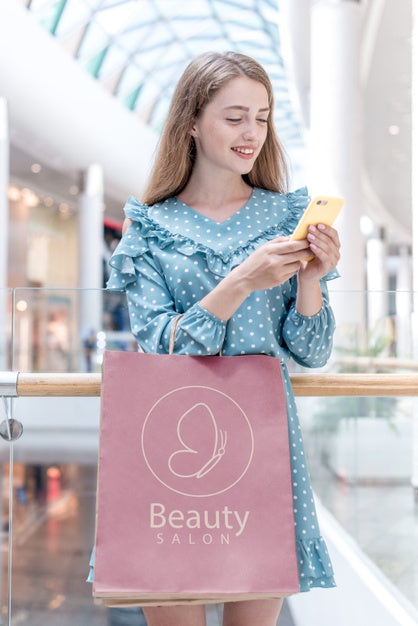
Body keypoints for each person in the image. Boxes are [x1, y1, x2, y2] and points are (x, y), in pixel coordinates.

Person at [104, 51, 340, 626]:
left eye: (261, 117)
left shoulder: (285, 217)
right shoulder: (151, 229)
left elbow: (310, 352)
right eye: (234, 117)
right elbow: (161, 347)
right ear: (191, 120)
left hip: (262, 446)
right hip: (165, 448)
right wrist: (240, 282)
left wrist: (311, 280)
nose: (251, 133)